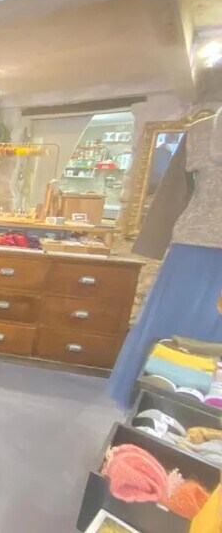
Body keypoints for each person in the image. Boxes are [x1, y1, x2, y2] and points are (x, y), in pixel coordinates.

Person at [107, 77, 222, 406]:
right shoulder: (201, 132)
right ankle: (162, 401)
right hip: (196, 251)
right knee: (176, 329)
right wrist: (153, 242)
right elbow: (173, 193)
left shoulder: (201, 131)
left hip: (196, 247)